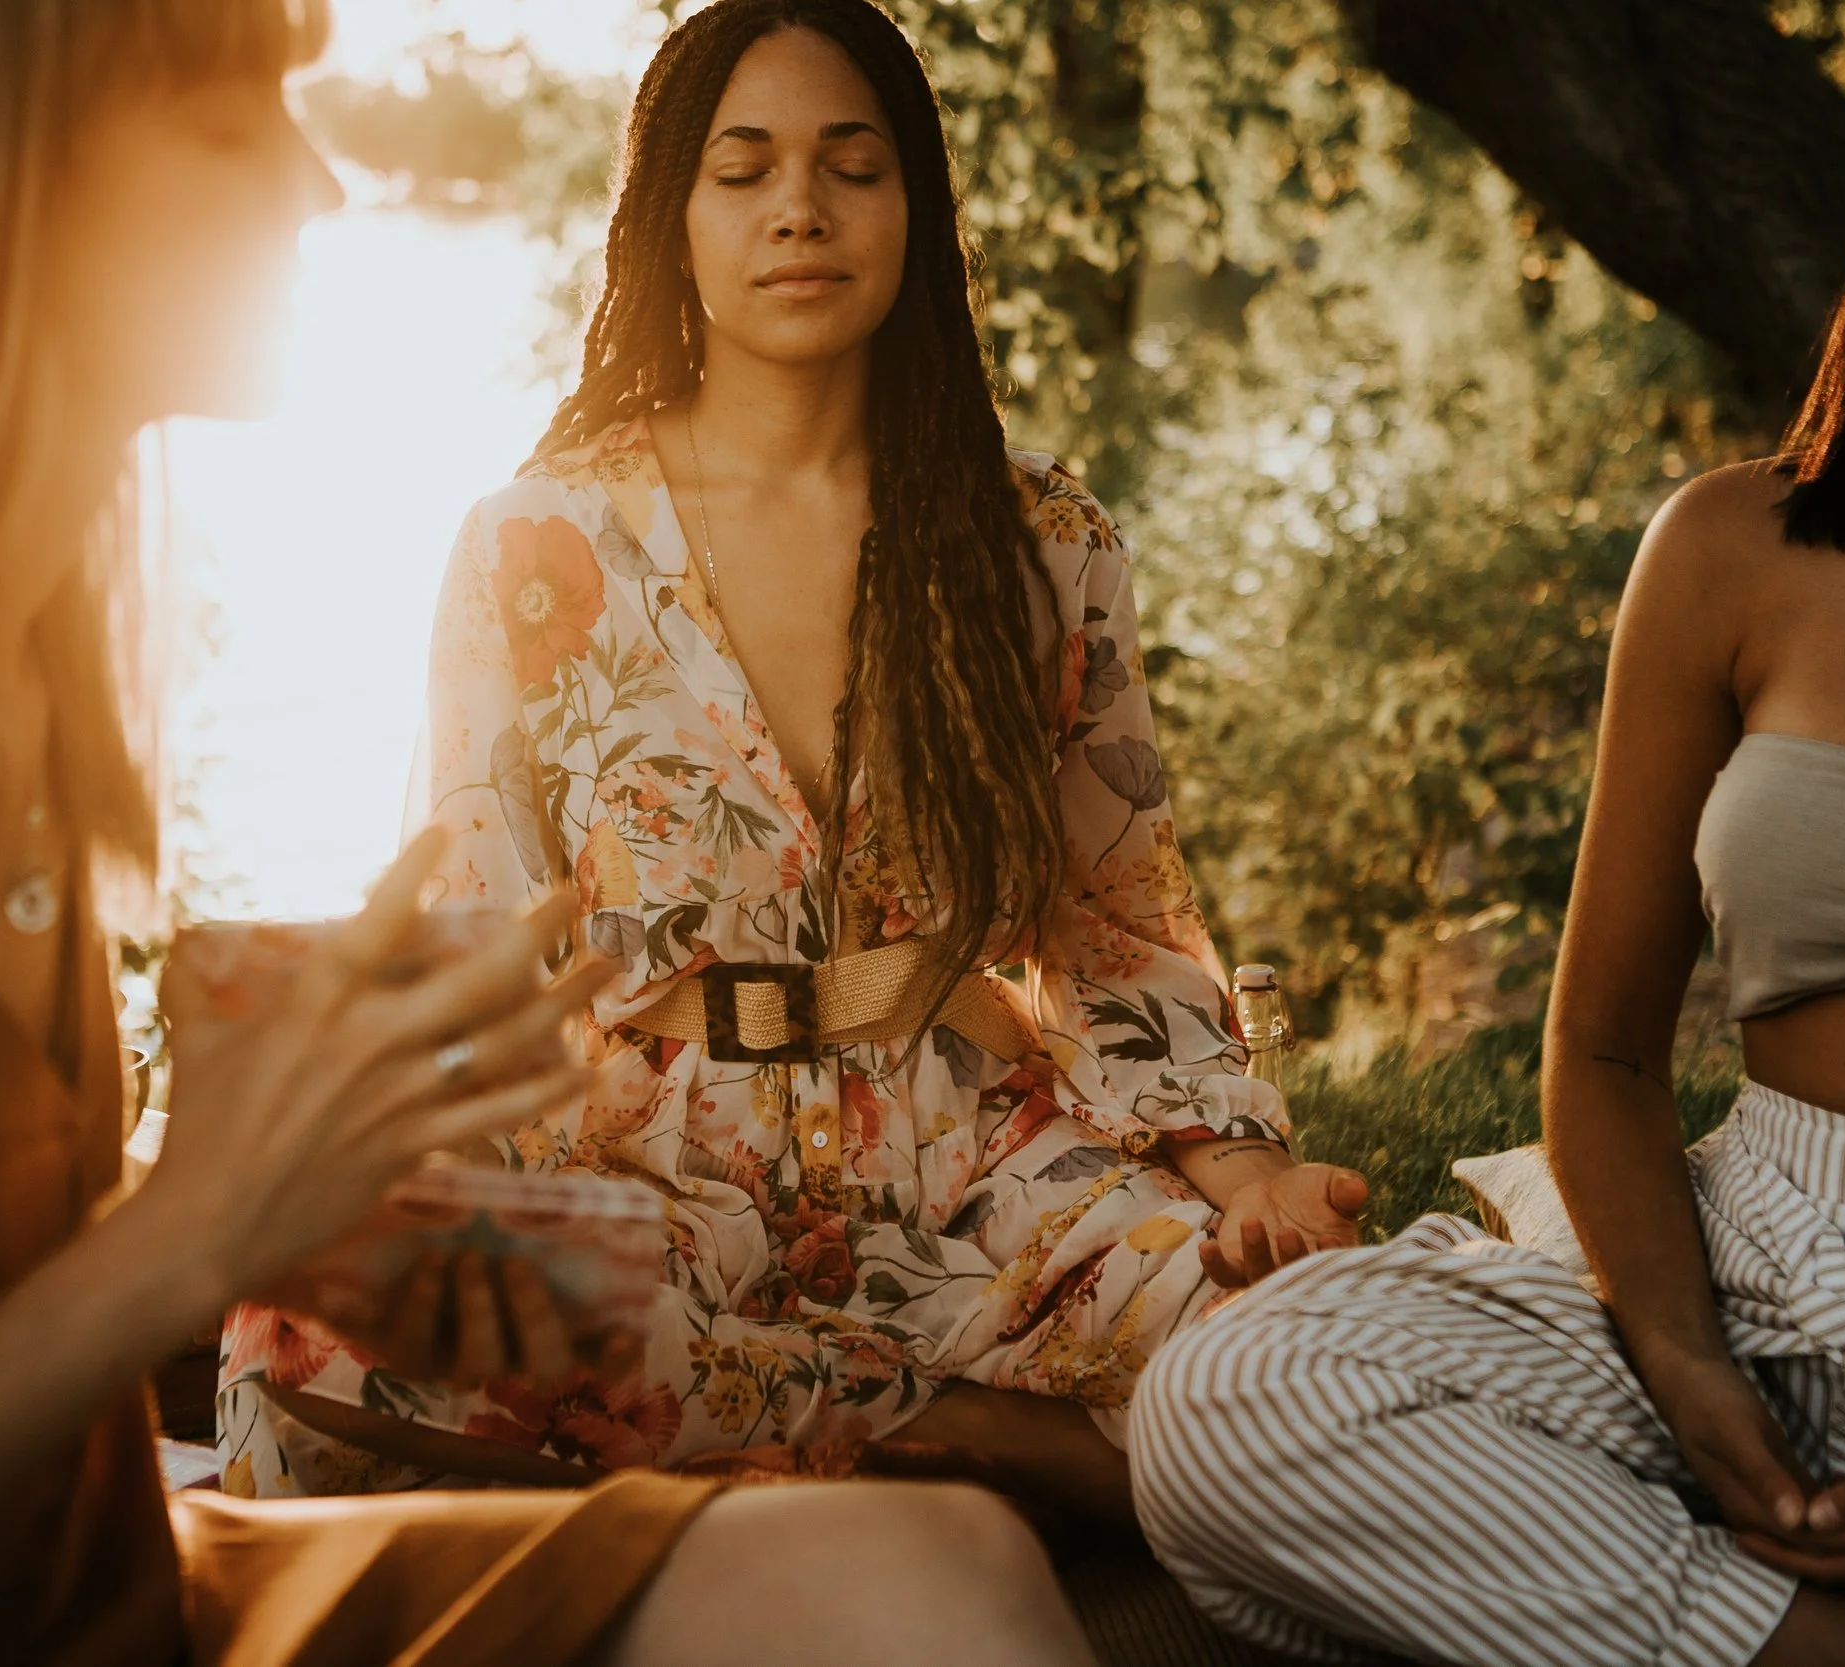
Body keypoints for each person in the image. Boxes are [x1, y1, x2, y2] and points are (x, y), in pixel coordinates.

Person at [0, 2, 1104, 1662]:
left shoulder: (4, 672)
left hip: (134, 1586)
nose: (317, 189)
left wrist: (333, 1207)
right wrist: (188, 1238)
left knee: (939, 1573)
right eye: (228, 122)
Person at [219, 0, 1371, 1515]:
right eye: (743, 169)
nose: (800, 213)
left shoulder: (1046, 538)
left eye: (852, 166)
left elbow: (1116, 917)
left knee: (1307, 1351)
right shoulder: (535, 543)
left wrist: (1241, 1174)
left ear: (917, 208)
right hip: (649, 1174)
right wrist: (435, 1190)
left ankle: (779, 1443)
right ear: (670, 218)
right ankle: (946, 1439)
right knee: (317, 1345)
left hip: (973, 1166)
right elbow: (474, 939)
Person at [1127, 4, 1845, 1665]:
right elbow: (1603, 1050)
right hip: (1752, 1260)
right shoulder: (1737, 548)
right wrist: (1683, 1363)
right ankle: (1843, 1645)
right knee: (1233, 1398)